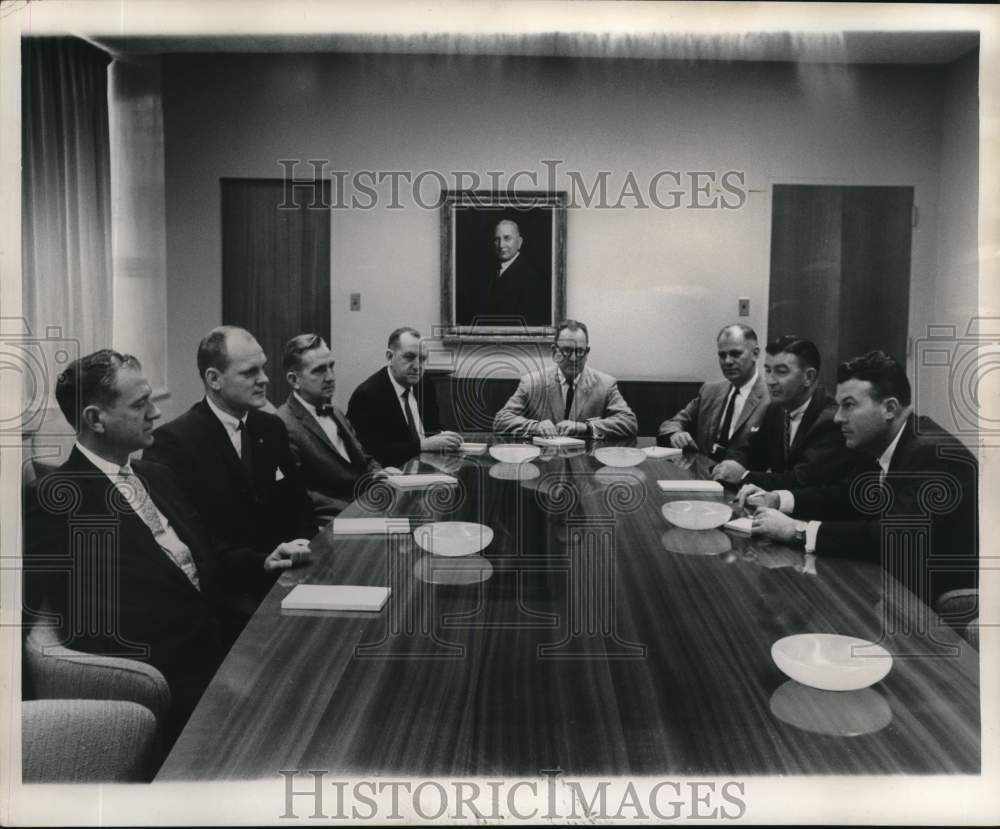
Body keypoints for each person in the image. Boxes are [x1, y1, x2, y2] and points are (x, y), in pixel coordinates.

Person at [23, 350, 309, 743]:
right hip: (166, 680)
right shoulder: (57, 500)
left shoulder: (155, 473)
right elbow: (90, 621)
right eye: (141, 404)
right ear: (94, 419)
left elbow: (206, 554)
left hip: (222, 642)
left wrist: (263, 560)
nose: (155, 413)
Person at [742, 350, 978, 605]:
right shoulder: (880, 441)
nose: (838, 417)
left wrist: (796, 531)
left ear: (889, 408)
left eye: (849, 405)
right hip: (884, 587)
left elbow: (890, 539)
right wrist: (778, 499)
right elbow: (846, 495)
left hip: (929, 609)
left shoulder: (936, 455)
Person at [144, 326, 314, 597]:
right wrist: (263, 562)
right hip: (228, 593)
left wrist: (305, 545)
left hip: (290, 575)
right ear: (214, 379)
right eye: (250, 372)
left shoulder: (271, 427)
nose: (265, 379)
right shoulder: (172, 443)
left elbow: (300, 504)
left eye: (263, 368)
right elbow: (194, 541)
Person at [712, 335, 853, 489]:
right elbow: (751, 451)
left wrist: (745, 476)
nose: (770, 381)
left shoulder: (829, 420)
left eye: (781, 372)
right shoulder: (776, 409)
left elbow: (802, 479)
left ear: (808, 377)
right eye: (768, 370)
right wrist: (732, 464)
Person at [277, 334, 396, 516]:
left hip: (368, 505)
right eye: (318, 370)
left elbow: (364, 459)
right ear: (294, 380)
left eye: (331, 366)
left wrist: (379, 473)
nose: (330, 377)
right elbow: (302, 493)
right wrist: (358, 508)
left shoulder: (336, 412)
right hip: (333, 521)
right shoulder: (283, 424)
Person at [493, 319, 638, 438]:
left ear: (587, 353)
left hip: (585, 467)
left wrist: (586, 428)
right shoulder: (531, 382)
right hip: (545, 467)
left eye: (579, 351)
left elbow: (629, 423)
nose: (574, 358)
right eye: (567, 350)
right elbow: (501, 420)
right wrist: (535, 426)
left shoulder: (605, 384)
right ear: (554, 351)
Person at [347, 327, 463, 467]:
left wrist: (446, 437)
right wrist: (422, 445)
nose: (417, 366)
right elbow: (369, 453)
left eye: (422, 359)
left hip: (428, 467)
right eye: (409, 357)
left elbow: (433, 428)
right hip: (390, 476)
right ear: (390, 357)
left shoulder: (424, 384)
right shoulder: (367, 395)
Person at [658, 323, 768, 459]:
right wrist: (675, 434)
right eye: (722, 355)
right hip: (703, 475)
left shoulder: (771, 398)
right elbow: (671, 424)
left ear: (755, 354)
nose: (727, 361)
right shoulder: (710, 391)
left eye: (735, 354)